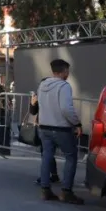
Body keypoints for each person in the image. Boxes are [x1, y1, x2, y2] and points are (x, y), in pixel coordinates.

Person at [36, 59, 83, 203]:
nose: (68, 74)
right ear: (64, 71)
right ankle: (66, 192)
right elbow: (66, 109)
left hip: (44, 127)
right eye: (67, 71)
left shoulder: (42, 85)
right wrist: (77, 123)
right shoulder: (64, 86)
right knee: (71, 156)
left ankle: (45, 190)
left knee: (47, 157)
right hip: (60, 128)